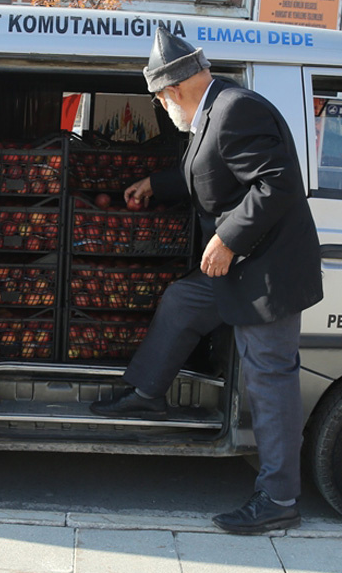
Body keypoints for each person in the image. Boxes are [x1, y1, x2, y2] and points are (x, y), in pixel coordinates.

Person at [89, 28, 323, 534]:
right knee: (182, 301)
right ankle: (148, 390)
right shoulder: (212, 113)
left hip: (266, 274)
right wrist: (158, 183)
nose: (160, 107)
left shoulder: (237, 109)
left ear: (173, 90)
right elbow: (215, 172)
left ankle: (279, 498)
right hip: (234, 270)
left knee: (270, 378)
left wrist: (229, 240)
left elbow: (278, 183)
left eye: (159, 98)